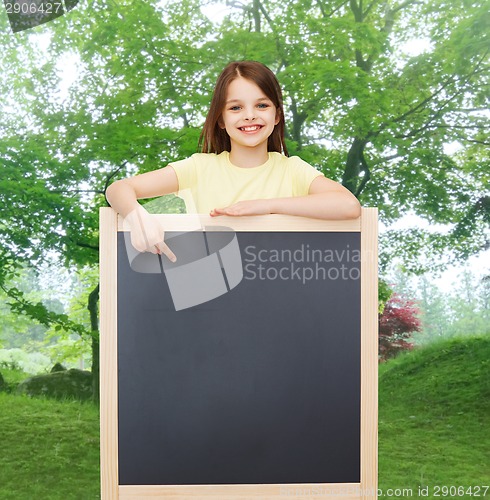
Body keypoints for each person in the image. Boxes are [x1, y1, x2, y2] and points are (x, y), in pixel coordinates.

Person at [106, 61, 361, 262]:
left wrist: (265, 206)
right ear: (220, 119)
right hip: (210, 303)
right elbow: (119, 189)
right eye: (236, 108)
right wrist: (137, 217)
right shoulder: (199, 168)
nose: (250, 116)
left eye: (261, 105)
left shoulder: (291, 170)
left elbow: (348, 205)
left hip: (280, 296)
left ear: (277, 116)